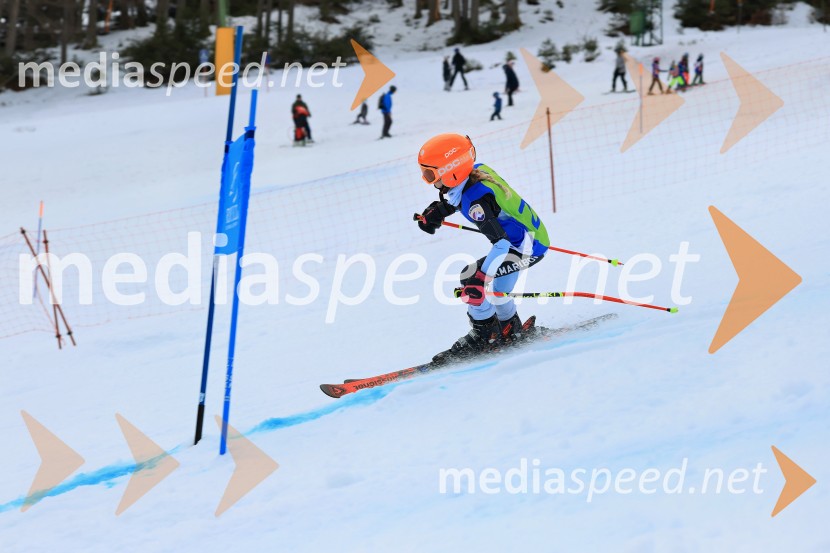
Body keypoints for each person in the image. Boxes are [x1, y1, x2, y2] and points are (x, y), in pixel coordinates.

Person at [416, 133, 549, 363]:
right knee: (499, 291)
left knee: (470, 278)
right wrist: (439, 211)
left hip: (525, 247)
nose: (428, 180)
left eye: (430, 174)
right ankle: (509, 329)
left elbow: (501, 244)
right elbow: (463, 196)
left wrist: (480, 277)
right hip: (529, 239)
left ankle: (485, 336)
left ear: (451, 171)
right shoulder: (476, 172)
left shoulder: (476, 204)